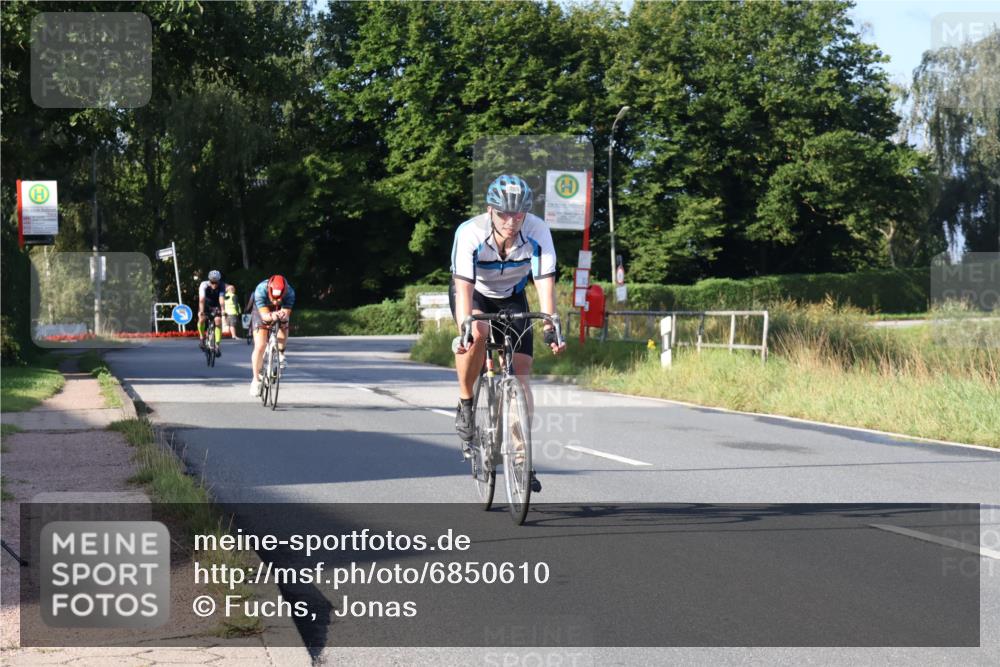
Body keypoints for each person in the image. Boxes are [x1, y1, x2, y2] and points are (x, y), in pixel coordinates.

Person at [450, 174, 566, 492]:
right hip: (476, 293)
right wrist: (465, 330)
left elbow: (544, 280)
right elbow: (463, 289)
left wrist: (549, 325)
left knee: (522, 371)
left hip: (512, 295)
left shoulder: (538, 231)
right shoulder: (470, 233)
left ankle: (520, 455)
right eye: (504, 214)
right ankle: (465, 401)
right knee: (478, 330)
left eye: (519, 214)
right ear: (491, 210)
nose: (512, 222)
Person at [249, 274, 295, 397]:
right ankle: (255, 380)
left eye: (279, 298)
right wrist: (271, 316)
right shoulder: (260, 290)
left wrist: (282, 315)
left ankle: (280, 353)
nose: (275, 301)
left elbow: (286, 313)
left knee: (284, 322)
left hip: (280, 309)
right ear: (269, 291)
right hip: (262, 309)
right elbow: (264, 316)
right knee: (260, 345)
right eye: (273, 298)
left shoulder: (290, 292)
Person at [197, 270, 226, 357]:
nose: (214, 284)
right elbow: (201, 299)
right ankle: (202, 338)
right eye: (212, 282)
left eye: (216, 282)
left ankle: (217, 345)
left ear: (219, 280)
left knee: (218, 321)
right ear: (209, 280)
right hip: (205, 305)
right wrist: (201, 312)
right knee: (201, 319)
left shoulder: (221, 285)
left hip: (215, 305)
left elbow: (221, 299)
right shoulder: (204, 285)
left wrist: (223, 310)